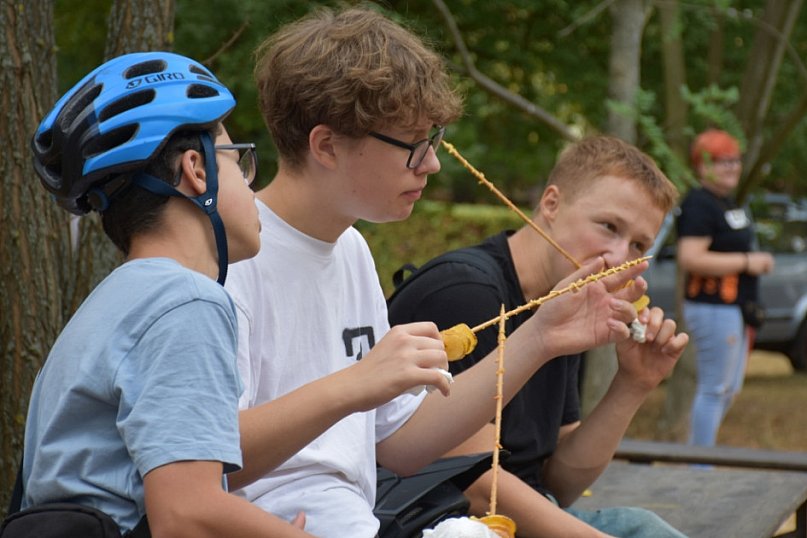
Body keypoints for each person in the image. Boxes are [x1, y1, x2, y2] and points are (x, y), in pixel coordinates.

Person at [224, 7, 657, 537]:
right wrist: (356, 384)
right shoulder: (231, 263)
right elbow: (209, 460)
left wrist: (542, 336)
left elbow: (404, 444)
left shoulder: (352, 252)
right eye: (413, 145)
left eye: (433, 141)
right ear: (327, 145)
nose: (431, 164)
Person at [22, 52, 309, 537]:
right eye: (238, 161)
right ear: (197, 169)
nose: (251, 188)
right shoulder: (186, 302)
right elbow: (185, 515)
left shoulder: (115, 303)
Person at [388, 136, 689, 538]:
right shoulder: (466, 293)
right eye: (609, 227)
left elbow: (560, 482)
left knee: (647, 527)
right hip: (447, 524)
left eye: (638, 245)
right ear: (551, 204)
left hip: (526, 518)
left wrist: (634, 384)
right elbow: (476, 484)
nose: (619, 257)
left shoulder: (566, 294)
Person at [677, 129, 774, 448]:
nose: (732, 167)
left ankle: (701, 458)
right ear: (702, 166)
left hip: (735, 308)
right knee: (714, 388)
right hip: (713, 307)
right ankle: (699, 469)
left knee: (728, 389)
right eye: (722, 161)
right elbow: (690, 257)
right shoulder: (699, 204)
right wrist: (747, 262)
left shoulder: (726, 203)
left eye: (735, 160)